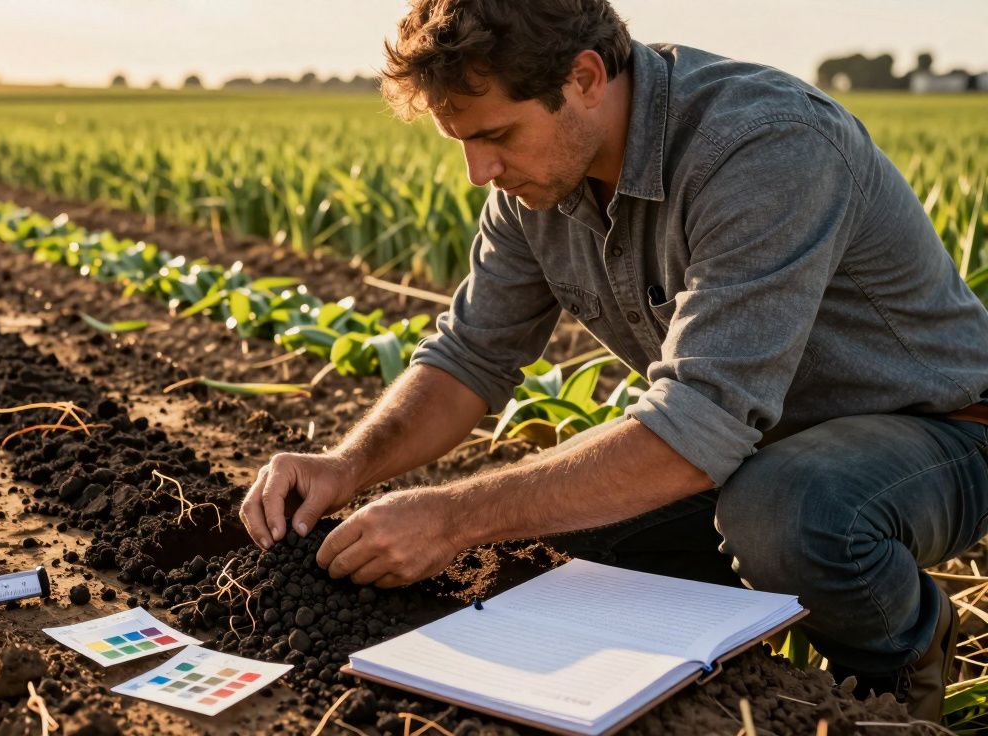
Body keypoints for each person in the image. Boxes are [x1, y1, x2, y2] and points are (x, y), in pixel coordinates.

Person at [239, 0, 988, 720]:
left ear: (587, 79)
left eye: (496, 133)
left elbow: (700, 426)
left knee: (790, 511)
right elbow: (470, 356)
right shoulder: (535, 188)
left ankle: (896, 665)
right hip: (759, 443)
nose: (478, 170)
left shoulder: (764, 147)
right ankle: (731, 688)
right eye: (460, 140)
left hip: (938, 433)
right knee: (568, 534)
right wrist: (346, 465)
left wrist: (453, 515)